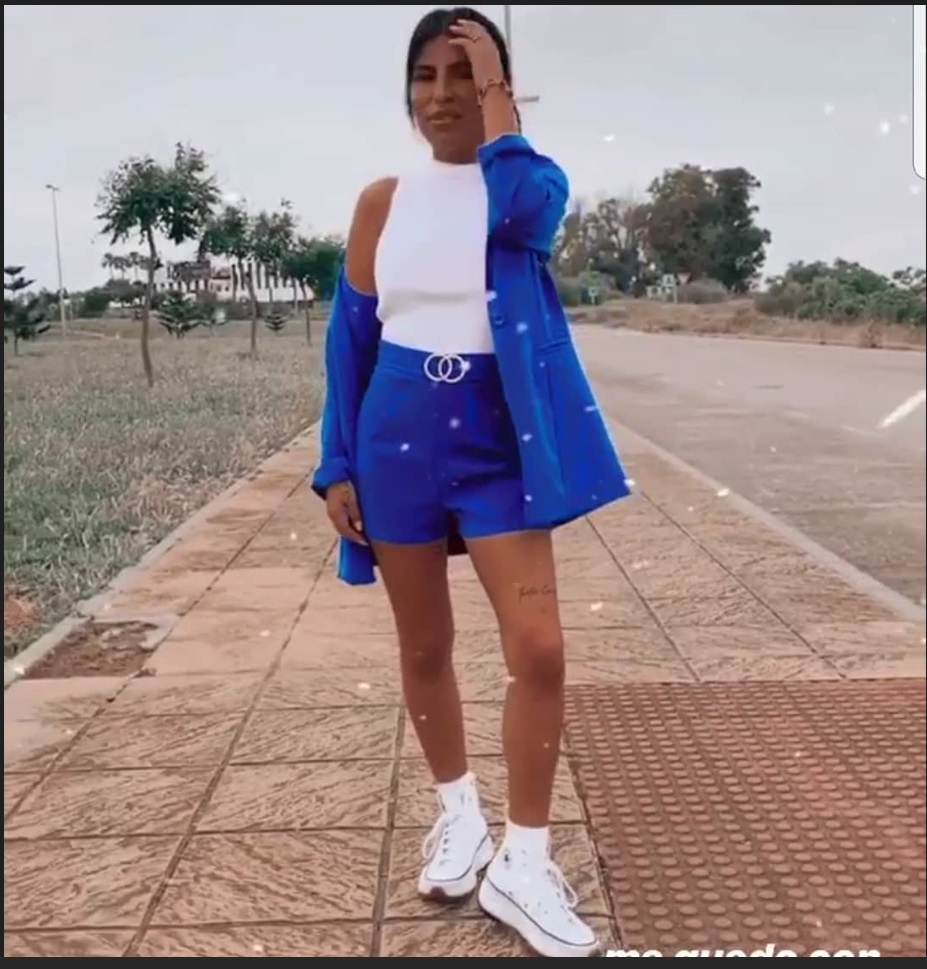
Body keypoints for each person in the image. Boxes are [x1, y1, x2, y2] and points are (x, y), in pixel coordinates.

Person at [312, 6, 630, 959]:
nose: (442, 95)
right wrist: (335, 463)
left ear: (499, 89)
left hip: (498, 446)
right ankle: (458, 815)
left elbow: (528, 206)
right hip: (397, 442)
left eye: (466, 74)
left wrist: (500, 96)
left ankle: (523, 861)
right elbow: (349, 343)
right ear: (406, 91)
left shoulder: (523, 187)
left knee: (540, 649)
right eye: (427, 75)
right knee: (423, 645)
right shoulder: (382, 202)